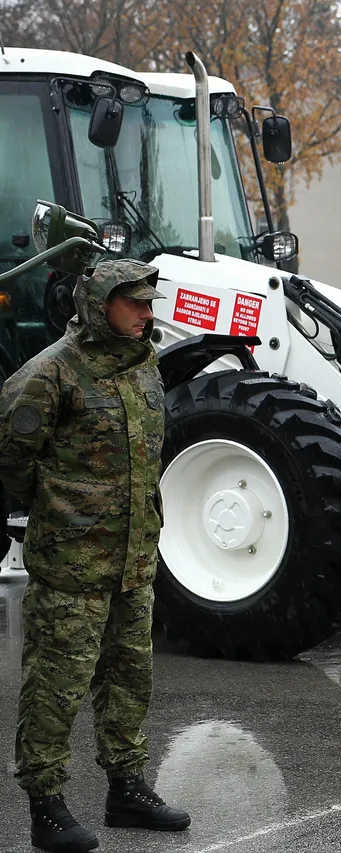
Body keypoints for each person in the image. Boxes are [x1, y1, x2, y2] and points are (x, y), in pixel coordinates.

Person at [0, 259, 190, 853]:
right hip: (72, 565)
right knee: (57, 685)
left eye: (149, 303)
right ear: (99, 304)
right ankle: (46, 805)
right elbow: (13, 459)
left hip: (133, 559)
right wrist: (63, 512)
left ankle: (127, 788)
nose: (147, 314)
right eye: (134, 303)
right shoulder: (48, 375)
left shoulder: (144, 366)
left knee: (130, 677)